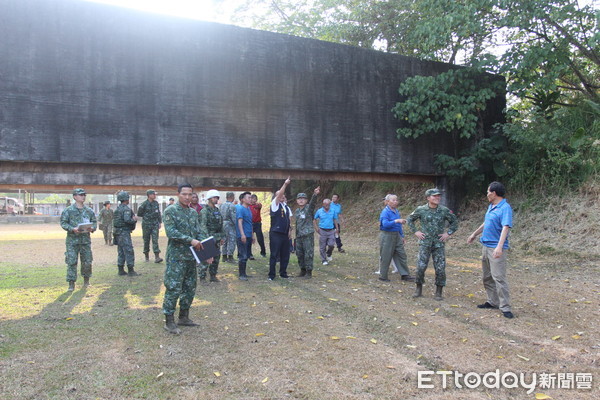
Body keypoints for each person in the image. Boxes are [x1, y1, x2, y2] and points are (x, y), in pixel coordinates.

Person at [162, 183, 213, 334]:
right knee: (173, 288)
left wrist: (207, 252)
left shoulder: (193, 213)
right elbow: (171, 232)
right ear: (178, 194)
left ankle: (184, 317)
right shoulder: (170, 211)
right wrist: (190, 240)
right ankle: (169, 321)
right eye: (184, 194)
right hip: (176, 258)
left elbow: (199, 233)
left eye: (189, 194)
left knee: (189, 288)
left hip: (191, 257)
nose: (187, 197)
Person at [467, 181, 514, 319]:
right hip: (485, 246)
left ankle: (505, 307)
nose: (487, 194)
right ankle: (492, 301)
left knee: (499, 278)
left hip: (496, 248)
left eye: (488, 192)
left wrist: (499, 247)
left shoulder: (505, 208)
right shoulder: (491, 206)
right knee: (487, 276)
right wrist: (474, 234)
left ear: (494, 193)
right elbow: (486, 223)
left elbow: (506, 227)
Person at [408, 188, 458, 300]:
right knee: (420, 267)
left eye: (438, 196)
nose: (437, 198)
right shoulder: (421, 210)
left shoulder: (444, 210)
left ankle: (439, 292)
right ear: (428, 198)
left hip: (438, 244)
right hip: (425, 243)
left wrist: (448, 233)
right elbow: (410, 219)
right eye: (434, 196)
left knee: (440, 268)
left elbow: (454, 222)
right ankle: (418, 289)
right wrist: (416, 231)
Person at [60, 188, 97, 291]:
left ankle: (86, 281)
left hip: (85, 240)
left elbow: (94, 222)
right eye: (81, 195)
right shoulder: (68, 210)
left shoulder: (89, 211)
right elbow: (63, 223)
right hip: (72, 241)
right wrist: (72, 229)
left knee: (87, 261)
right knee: (71, 261)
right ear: (75, 197)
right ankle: (71, 284)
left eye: (84, 194)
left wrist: (92, 228)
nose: (83, 196)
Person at [378, 194, 415, 282]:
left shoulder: (396, 211)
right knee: (386, 256)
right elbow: (385, 224)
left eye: (396, 200)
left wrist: (402, 236)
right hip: (387, 235)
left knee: (401, 254)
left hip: (396, 235)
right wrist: (396, 221)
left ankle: (405, 274)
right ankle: (383, 276)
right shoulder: (385, 212)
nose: (395, 202)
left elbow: (399, 226)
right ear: (387, 202)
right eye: (393, 200)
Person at [267, 178, 293, 280]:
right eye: (279, 195)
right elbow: (279, 194)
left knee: (285, 254)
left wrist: (290, 231)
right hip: (276, 233)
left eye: (283, 195)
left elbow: (289, 220)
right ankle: (271, 275)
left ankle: (283, 273)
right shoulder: (275, 204)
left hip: (285, 234)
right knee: (274, 254)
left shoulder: (286, 207)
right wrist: (285, 184)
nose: (282, 196)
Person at [199, 189, 225, 282]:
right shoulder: (204, 211)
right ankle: (202, 276)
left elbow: (221, 224)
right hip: (208, 237)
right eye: (214, 197)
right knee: (206, 258)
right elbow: (203, 226)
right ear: (209, 198)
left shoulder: (217, 210)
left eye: (217, 197)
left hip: (217, 238)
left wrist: (222, 236)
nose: (216, 199)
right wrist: (207, 240)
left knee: (216, 258)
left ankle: (213, 275)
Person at [294, 186, 320, 278]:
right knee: (300, 254)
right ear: (297, 200)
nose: (301, 200)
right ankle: (302, 270)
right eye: (299, 199)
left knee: (308, 253)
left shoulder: (308, 208)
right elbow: (297, 224)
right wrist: (296, 236)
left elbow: (313, 204)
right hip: (299, 236)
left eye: (303, 199)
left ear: (306, 200)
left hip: (307, 235)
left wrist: (315, 195)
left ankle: (309, 272)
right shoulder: (297, 211)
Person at [113, 191, 139, 277]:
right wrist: (134, 220)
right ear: (126, 199)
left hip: (117, 232)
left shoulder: (118, 209)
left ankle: (121, 269)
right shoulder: (126, 209)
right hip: (124, 232)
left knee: (121, 251)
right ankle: (131, 270)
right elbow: (127, 220)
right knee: (128, 250)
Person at [136, 189, 163, 263]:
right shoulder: (144, 204)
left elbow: (158, 213)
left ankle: (157, 257)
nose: (155, 196)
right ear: (149, 195)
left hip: (154, 224)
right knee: (146, 240)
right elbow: (139, 213)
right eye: (153, 194)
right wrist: (147, 217)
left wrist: (159, 222)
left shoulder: (156, 203)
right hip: (146, 225)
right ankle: (146, 256)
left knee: (155, 240)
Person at [313, 198, 338, 266]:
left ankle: (329, 253)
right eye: (326, 204)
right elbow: (314, 220)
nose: (327, 206)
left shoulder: (333, 211)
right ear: (323, 204)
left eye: (328, 204)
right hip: (322, 230)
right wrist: (317, 229)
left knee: (331, 244)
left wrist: (337, 229)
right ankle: (324, 260)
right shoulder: (319, 211)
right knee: (322, 246)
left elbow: (335, 220)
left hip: (331, 230)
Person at [236, 191, 254, 280]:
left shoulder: (249, 209)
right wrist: (242, 234)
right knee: (242, 255)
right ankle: (241, 274)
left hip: (249, 235)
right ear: (243, 199)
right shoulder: (240, 209)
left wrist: (252, 235)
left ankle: (244, 273)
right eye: (249, 197)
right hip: (242, 236)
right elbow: (240, 222)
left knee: (246, 255)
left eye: (251, 197)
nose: (251, 199)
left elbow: (250, 223)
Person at [220, 192, 237, 264]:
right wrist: (237, 225)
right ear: (232, 197)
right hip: (230, 224)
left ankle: (224, 256)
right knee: (232, 240)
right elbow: (233, 217)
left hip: (223, 223)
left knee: (224, 240)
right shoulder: (232, 206)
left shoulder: (221, 205)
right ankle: (230, 256)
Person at [249, 194, 267, 259]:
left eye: (254, 199)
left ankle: (263, 252)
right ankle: (249, 254)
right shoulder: (248, 206)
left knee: (260, 238)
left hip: (257, 224)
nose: (252, 200)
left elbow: (260, 205)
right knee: (250, 238)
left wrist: (257, 204)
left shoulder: (257, 206)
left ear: (256, 200)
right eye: (251, 198)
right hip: (250, 224)